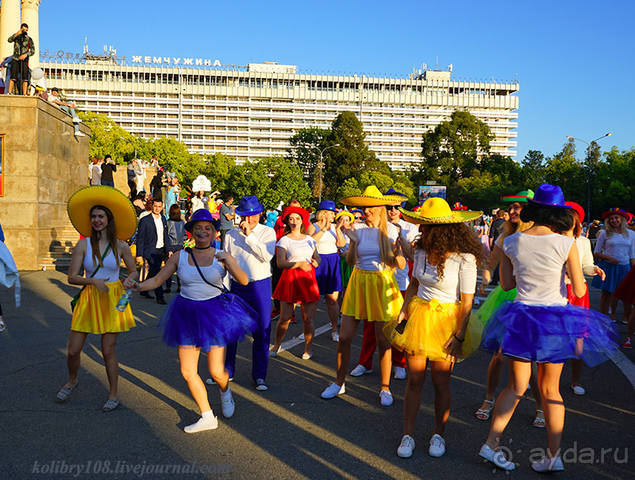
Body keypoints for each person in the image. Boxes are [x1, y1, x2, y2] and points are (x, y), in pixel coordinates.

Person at [478, 184, 618, 472]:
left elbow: (506, 285)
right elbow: (579, 287)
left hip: (521, 317)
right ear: (559, 212)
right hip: (555, 319)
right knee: (550, 390)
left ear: (533, 210)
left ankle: (491, 444)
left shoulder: (510, 241)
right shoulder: (566, 244)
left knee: (516, 386)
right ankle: (553, 456)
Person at [128, 209, 258, 433]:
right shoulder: (180, 256)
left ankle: (225, 390)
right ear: (192, 232)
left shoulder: (221, 255)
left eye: (208, 228)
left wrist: (229, 260)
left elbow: (245, 281)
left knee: (216, 371)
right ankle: (207, 416)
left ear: (215, 233)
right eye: (198, 228)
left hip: (215, 314)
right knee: (188, 371)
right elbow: (158, 279)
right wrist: (138, 286)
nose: (203, 232)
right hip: (186, 313)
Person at [383, 198, 483, 459]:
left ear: (445, 229)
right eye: (422, 225)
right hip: (419, 316)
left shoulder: (465, 257)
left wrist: (460, 335)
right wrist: (404, 311)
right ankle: (408, 435)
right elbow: (415, 284)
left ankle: (438, 434)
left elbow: (468, 300)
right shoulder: (419, 250)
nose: (422, 230)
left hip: (448, 322)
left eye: (427, 226)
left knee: (441, 382)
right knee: (414, 380)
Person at [320, 186, 406, 406]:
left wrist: (398, 256)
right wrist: (352, 244)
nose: (366, 211)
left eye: (371, 208)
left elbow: (402, 262)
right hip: (359, 282)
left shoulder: (392, 231)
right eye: (364, 208)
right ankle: (339, 382)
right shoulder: (356, 229)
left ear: (381, 208)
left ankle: (385, 387)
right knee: (346, 337)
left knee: (383, 340)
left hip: (382, 283)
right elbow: (349, 262)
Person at [57, 186, 139, 411]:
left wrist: (129, 281)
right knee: (73, 350)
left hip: (113, 298)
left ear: (108, 219)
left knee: (108, 351)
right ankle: (72, 380)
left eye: (101, 216)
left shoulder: (120, 245)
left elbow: (133, 270)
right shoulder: (83, 244)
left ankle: (114, 394)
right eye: (93, 216)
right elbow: (72, 277)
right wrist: (93, 281)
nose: (96, 220)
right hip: (89, 297)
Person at [473, 189, 545, 427]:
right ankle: (489, 399)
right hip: (506, 298)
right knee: (500, 356)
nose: (512, 212)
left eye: (518, 208)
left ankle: (540, 406)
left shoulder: (541, 237)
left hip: (530, 301)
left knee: (531, 360)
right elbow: (490, 263)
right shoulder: (505, 238)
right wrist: (484, 278)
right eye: (511, 207)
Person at [350, 189, 415, 380]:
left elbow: (411, 256)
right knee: (370, 326)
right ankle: (365, 362)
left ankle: (398, 363)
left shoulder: (408, 227)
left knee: (396, 326)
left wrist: (401, 243)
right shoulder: (365, 228)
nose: (393, 210)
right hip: (376, 282)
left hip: (401, 283)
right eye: (389, 207)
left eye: (396, 207)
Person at [224, 196, 277, 390]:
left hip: (260, 284)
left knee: (262, 330)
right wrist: (224, 286)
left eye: (253, 215)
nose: (250, 219)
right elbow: (226, 261)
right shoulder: (230, 234)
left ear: (260, 214)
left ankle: (259, 375)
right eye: (246, 215)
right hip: (236, 286)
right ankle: (227, 370)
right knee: (231, 329)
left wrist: (250, 236)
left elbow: (266, 256)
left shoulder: (267, 232)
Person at [564, 201, 605, 396]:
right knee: (548, 337)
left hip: (578, 292)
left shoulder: (583, 241)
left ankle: (575, 381)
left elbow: (586, 265)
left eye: (572, 217)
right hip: (555, 291)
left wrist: (594, 269)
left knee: (577, 341)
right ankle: (536, 378)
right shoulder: (551, 238)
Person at [270, 206, 321, 359]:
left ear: (302, 221)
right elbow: (280, 263)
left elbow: (317, 257)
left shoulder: (310, 240)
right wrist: (299, 264)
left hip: (307, 279)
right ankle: (277, 345)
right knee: (284, 317)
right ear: (286, 221)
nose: (294, 222)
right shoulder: (284, 240)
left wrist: (316, 262)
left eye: (297, 218)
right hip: (290, 279)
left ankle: (308, 348)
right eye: (291, 219)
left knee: (308, 319)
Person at [312, 200, 347, 342]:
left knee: (332, 300)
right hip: (318, 262)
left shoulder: (334, 227)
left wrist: (337, 230)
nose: (334, 216)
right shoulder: (312, 226)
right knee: (312, 300)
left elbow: (342, 244)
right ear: (324, 213)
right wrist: (323, 230)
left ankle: (334, 329)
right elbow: (309, 241)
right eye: (332, 213)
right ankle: (308, 330)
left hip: (332, 262)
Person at [592, 208, 635, 322]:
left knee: (626, 295)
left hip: (625, 267)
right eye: (611, 218)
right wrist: (609, 258)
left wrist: (633, 268)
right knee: (606, 294)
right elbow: (596, 252)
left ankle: (626, 317)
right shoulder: (604, 233)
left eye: (616, 218)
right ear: (608, 221)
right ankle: (604, 318)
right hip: (608, 266)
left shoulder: (631, 234)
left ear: (622, 219)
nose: (614, 220)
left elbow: (632, 254)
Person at [136, 199, 170, 304]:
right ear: (152, 206)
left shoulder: (163, 219)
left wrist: (168, 250)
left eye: (159, 206)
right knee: (157, 273)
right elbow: (140, 238)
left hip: (161, 250)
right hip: (150, 250)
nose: (157, 208)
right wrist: (139, 254)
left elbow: (166, 235)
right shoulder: (145, 220)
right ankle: (160, 297)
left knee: (152, 272)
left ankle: (144, 289)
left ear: (162, 207)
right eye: (155, 206)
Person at [7, 23, 34, 95]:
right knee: (13, 76)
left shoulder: (29, 39)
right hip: (15, 58)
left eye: (26, 30)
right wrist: (16, 34)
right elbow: (9, 40)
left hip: (24, 60)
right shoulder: (16, 37)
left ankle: (24, 93)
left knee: (25, 78)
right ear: (20, 29)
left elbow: (33, 51)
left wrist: (26, 54)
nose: (25, 31)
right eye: (23, 29)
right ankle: (9, 92)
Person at [166, 204, 186, 294]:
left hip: (171, 245)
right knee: (180, 268)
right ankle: (179, 285)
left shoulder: (169, 222)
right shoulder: (182, 222)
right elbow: (185, 235)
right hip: (180, 245)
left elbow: (166, 234)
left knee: (168, 267)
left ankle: (168, 286)